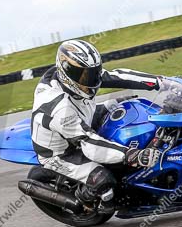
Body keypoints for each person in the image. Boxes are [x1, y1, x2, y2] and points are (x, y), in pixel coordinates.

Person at [30, 39, 163, 212]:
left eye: (93, 72)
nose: (91, 79)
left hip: (83, 117)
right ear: (65, 73)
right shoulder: (59, 109)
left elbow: (119, 76)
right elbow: (90, 144)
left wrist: (159, 82)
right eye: (84, 75)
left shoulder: (79, 77)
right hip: (62, 152)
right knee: (104, 179)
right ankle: (87, 199)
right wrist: (131, 155)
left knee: (128, 105)